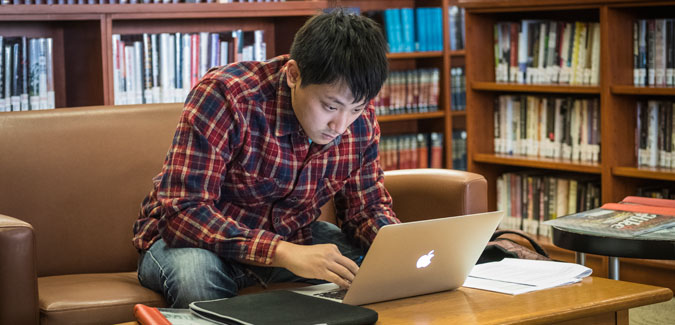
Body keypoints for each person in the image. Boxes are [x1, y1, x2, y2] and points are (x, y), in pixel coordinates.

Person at [132, 8, 399, 308]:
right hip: (197, 244)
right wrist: (282, 252)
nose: (341, 126)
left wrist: (400, 247)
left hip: (291, 238)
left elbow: (365, 209)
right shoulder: (228, 95)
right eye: (329, 107)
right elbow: (184, 211)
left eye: (356, 109)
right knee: (195, 276)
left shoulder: (358, 122)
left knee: (381, 270)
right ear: (294, 75)